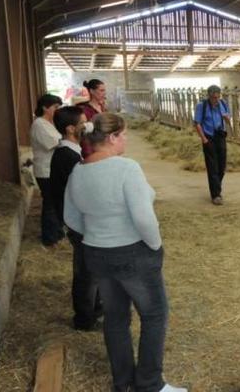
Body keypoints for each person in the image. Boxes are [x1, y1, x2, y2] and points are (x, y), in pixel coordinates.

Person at [64, 113, 185, 392]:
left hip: (96, 253)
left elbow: (70, 217)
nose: (126, 140)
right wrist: (154, 245)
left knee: (116, 318)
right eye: (124, 134)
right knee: (154, 315)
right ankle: (150, 384)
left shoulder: (78, 171)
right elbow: (143, 217)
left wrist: (97, 234)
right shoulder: (126, 168)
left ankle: (123, 382)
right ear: (111, 138)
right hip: (132, 253)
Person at [50, 106, 101, 331]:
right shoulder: (67, 157)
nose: (87, 125)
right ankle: (84, 319)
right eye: (83, 122)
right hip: (78, 222)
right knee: (85, 272)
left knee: (91, 269)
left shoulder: (72, 152)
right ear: (71, 129)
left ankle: (96, 308)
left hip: (81, 220)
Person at [30, 93, 64, 246]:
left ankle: (56, 232)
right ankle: (49, 237)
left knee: (55, 202)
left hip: (52, 169)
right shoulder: (39, 124)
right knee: (50, 203)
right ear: (45, 107)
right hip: (45, 170)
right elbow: (54, 143)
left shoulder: (49, 123)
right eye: (55, 107)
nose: (57, 110)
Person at [193, 85, 231, 205]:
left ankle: (216, 186)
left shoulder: (223, 104)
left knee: (222, 165)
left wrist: (227, 118)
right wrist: (204, 139)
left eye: (217, 97)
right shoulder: (201, 106)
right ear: (208, 96)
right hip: (208, 137)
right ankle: (216, 195)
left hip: (220, 136)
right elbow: (197, 123)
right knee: (212, 166)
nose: (216, 100)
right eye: (213, 97)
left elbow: (228, 119)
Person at [77, 79, 106, 158]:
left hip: (103, 143)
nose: (104, 93)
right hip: (90, 145)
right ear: (92, 91)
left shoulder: (102, 106)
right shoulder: (84, 109)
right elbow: (82, 132)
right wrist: (88, 152)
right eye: (101, 90)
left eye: (104, 90)